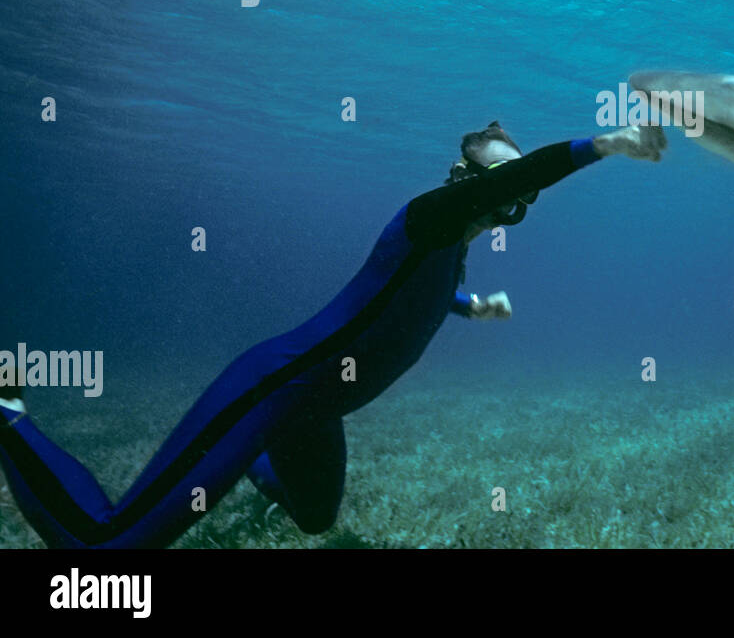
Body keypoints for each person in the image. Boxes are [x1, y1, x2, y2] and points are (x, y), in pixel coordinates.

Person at [0, 121, 666, 548]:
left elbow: (407, 297)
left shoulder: (451, 250)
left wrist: (471, 305)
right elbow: (520, 178)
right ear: (464, 180)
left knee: (315, 518)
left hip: (317, 411)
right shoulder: (429, 215)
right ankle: (10, 415)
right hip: (269, 391)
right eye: (502, 182)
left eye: (521, 197)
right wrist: (605, 145)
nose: (512, 200)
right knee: (109, 552)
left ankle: (246, 464)